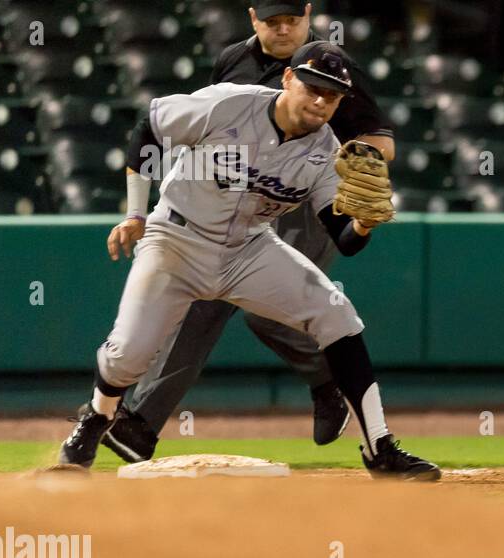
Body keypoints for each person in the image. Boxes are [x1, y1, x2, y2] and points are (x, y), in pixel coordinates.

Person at [59, 42, 439, 481]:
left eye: (332, 95)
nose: (320, 100)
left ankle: (381, 450)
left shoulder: (324, 152)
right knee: (128, 355)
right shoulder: (229, 103)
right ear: (289, 79)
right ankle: (97, 417)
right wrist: (135, 213)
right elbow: (150, 126)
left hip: (248, 249)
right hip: (177, 239)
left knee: (337, 315)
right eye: (313, 87)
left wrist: (365, 223)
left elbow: (344, 240)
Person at [101, 1, 396, 462]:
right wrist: (148, 205)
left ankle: (330, 385)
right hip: (231, 198)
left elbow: (378, 144)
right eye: (272, 21)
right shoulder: (233, 62)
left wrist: (359, 186)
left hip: (308, 197)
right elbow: (184, 124)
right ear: (253, 18)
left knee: (277, 313)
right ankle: (139, 425)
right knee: (201, 309)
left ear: (307, 15)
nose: (282, 30)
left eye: (291, 20)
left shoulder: (333, 67)